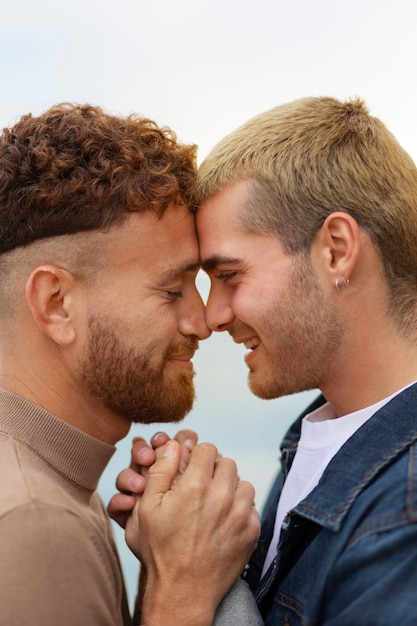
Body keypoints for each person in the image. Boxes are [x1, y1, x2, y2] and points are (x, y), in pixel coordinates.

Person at [110, 96, 417, 625]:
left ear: (337, 250)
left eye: (229, 276)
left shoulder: (403, 521)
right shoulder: (319, 443)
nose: (211, 315)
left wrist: (179, 591)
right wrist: (193, 547)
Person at [0, 103, 260, 626]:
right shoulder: (34, 524)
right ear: (56, 304)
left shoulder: (54, 489)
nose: (202, 321)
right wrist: (180, 592)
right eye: (171, 290)